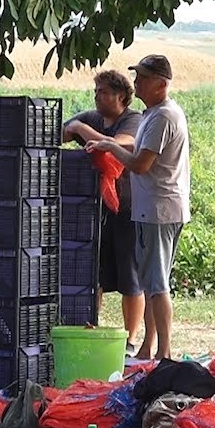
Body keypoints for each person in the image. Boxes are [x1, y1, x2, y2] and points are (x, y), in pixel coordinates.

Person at [86, 55, 190, 360]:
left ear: (162, 84)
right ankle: (148, 347)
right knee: (151, 282)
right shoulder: (156, 114)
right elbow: (140, 148)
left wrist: (111, 148)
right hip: (159, 208)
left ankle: (164, 352)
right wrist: (110, 143)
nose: (137, 83)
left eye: (143, 78)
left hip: (158, 210)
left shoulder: (162, 118)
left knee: (157, 285)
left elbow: (141, 164)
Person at [61, 69, 147, 356]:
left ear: (120, 96)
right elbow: (62, 132)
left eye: (103, 92)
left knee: (129, 275)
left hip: (128, 208)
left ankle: (131, 340)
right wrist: (75, 127)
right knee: (93, 273)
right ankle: (90, 327)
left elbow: (124, 143)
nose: (97, 96)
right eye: (96, 90)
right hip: (94, 209)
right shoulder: (92, 117)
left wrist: (82, 130)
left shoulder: (133, 120)